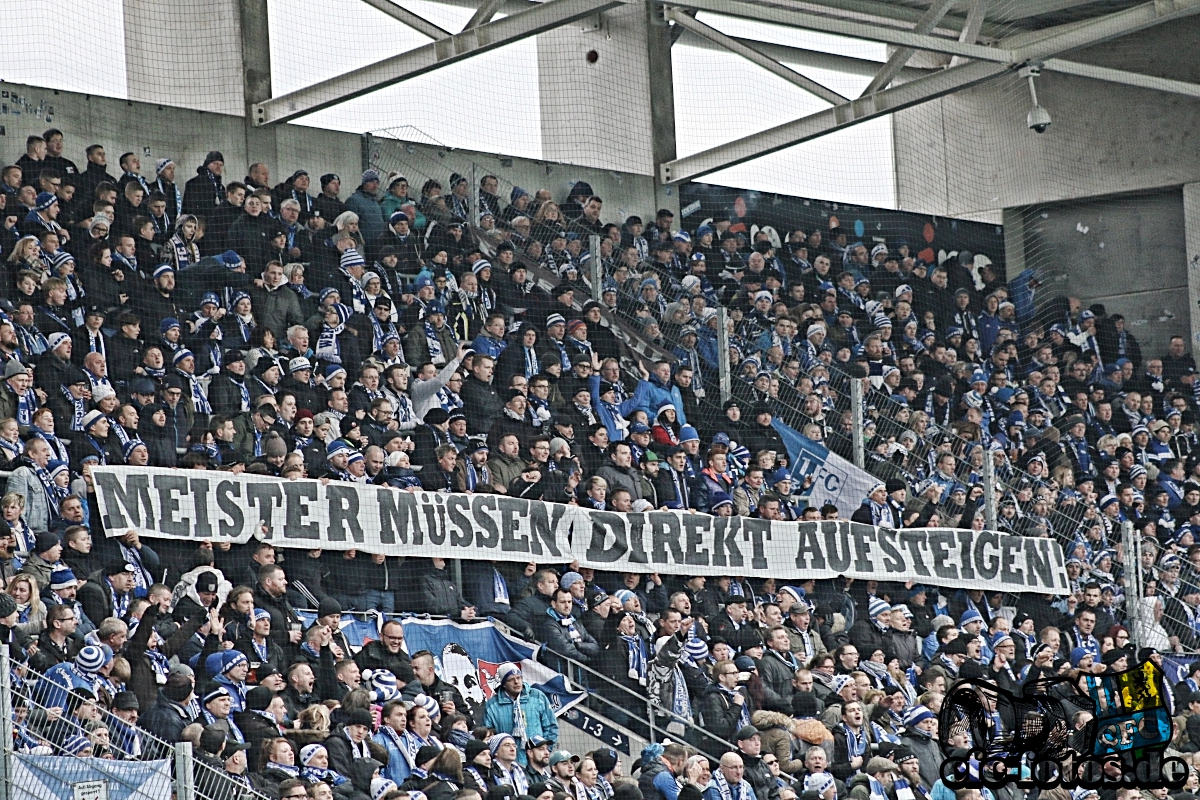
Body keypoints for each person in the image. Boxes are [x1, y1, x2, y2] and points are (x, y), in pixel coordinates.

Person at [483, 662, 558, 762]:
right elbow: (488, 736)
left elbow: (551, 727)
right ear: (504, 684)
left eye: (519, 677)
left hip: (536, 761)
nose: (517, 682)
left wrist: (544, 751)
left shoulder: (537, 696)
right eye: (511, 679)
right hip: (508, 762)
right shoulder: (492, 705)